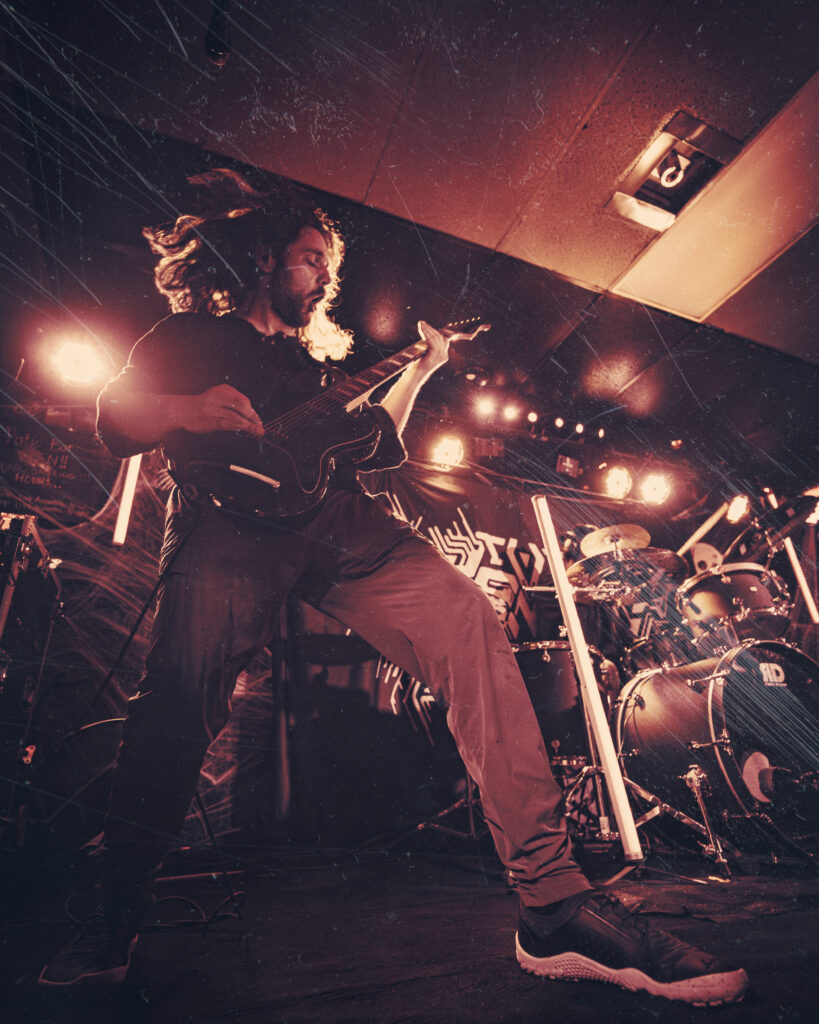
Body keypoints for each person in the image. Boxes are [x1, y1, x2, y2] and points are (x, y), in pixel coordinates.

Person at [39, 170, 748, 1006]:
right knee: (179, 703)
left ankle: (554, 906)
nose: (319, 278)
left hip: (338, 523)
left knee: (466, 622)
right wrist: (183, 412)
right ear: (264, 258)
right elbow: (116, 415)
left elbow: (381, 442)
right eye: (307, 260)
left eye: (325, 267)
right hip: (227, 523)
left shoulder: (313, 368)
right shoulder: (195, 333)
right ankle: (112, 916)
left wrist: (428, 360)